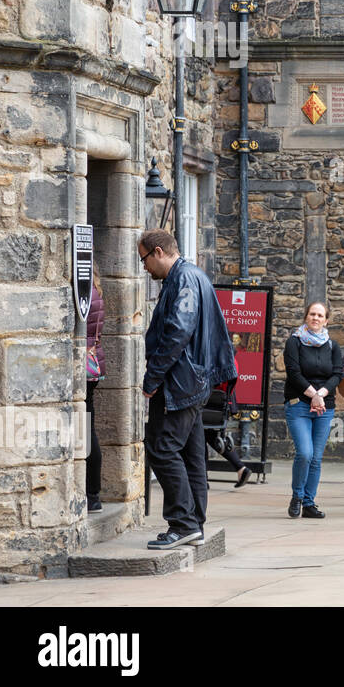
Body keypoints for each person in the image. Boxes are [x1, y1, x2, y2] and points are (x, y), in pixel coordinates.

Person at [139, 228, 237, 550]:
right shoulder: (193, 276)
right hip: (194, 381)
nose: (144, 268)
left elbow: (178, 331)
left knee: (162, 449)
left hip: (180, 383)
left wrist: (152, 378)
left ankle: (183, 524)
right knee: (192, 455)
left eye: (144, 260)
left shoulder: (183, 279)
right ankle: (194, 525)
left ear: (157, 252)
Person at [282, 302, 342, 519]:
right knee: (305, 453)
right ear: (306, 317)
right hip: (299, 403)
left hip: (324, 407)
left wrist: (322, 394)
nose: (315, 318)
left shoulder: (333, 346)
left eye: (320, 315)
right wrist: (313, 395)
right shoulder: (294, 342)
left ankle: (309, 503)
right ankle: (297, 496)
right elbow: (294, 373)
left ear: (326, 320)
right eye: (312, 314)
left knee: (316, 457)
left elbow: (337, 374)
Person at [85, 268, 105, 512]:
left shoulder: (86, 293)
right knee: (87, 429)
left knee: (86, 431)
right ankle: (93, 495)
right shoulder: (95, 290)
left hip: (85, 367)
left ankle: (92, 495)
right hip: (93, 365)